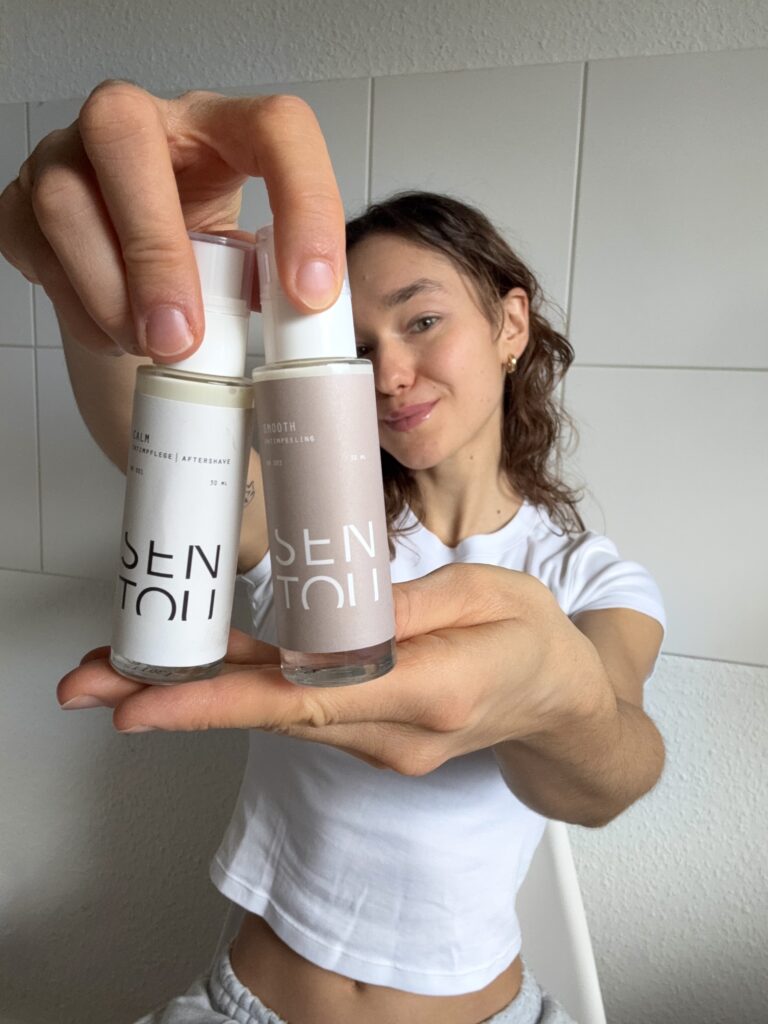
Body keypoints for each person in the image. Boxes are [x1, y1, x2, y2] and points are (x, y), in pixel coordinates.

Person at [0, 82, 666, 1024]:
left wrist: (558, 699)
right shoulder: (311, 530)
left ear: (510, 325)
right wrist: (124, 289)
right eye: (355, 344)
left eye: (421, 320)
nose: (388, 372)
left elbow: (613, 772)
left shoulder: (586, 578)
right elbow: (159, 435)